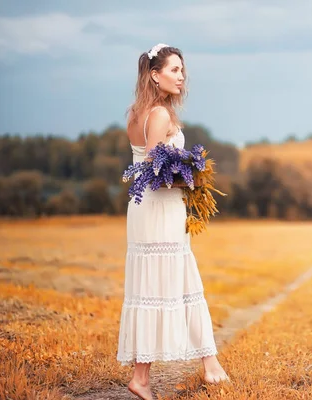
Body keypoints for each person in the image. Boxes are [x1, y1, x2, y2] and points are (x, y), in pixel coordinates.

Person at [116, 43, 229, 400]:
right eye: (174, 70)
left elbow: (143, 165)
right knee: (175, 281)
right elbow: (154, 169)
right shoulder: (161, 115)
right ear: (155, 74)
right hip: (159, 208)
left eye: (182, 70)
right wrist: (194, 178)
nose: (181, 77)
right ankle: (200, 367)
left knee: (155, 287)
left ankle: (154, 376)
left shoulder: (136, 113)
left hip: (143, 209)